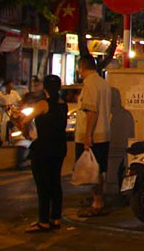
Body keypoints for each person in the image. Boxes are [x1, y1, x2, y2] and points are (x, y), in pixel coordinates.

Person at [19, 75, 68, 232]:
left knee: (43, 185)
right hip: (60, 147)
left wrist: (22, 124)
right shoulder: (63, 105)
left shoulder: (42, 104)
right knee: (55, 183)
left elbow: (25, 121)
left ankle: (44, 221)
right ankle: (56, 218)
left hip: (44, 148)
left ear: (45, 88)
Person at [76, 57, 112, 216]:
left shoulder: (90, 84)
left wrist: (87, 136)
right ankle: (97, 200)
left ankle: (97, 203)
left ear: (82, 68)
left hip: (94, 135)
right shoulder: (103, 83)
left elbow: (91, 111)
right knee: (99, 170)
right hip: (103, 133)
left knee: (93, 172)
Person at [0, 80, 22, 145]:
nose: (11, 87)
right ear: (5, 86)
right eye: (9, 86)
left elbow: (20, 101)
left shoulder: (14, 93)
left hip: (12, 110)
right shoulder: (0, 94)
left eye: (11, 85)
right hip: (2, 110)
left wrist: (22, 106)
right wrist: (0, 105)